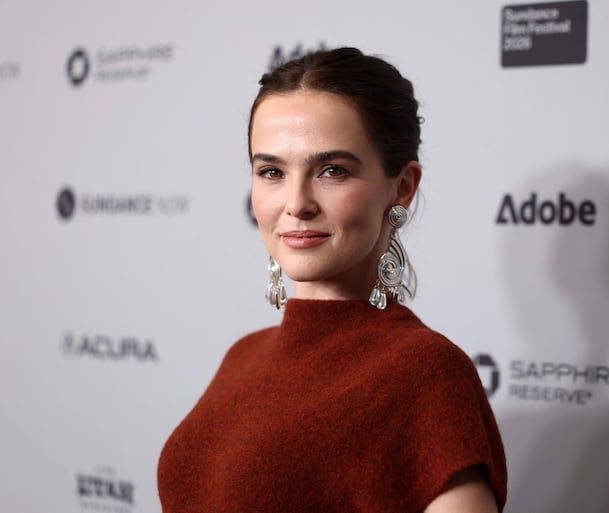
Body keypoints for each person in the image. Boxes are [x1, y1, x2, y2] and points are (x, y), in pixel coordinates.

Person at [157, 47, 507, 513]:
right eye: (272, 172)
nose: (296, 202)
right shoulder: (242, 355)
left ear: (402, 186)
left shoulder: (428, 375)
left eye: (332, 171)